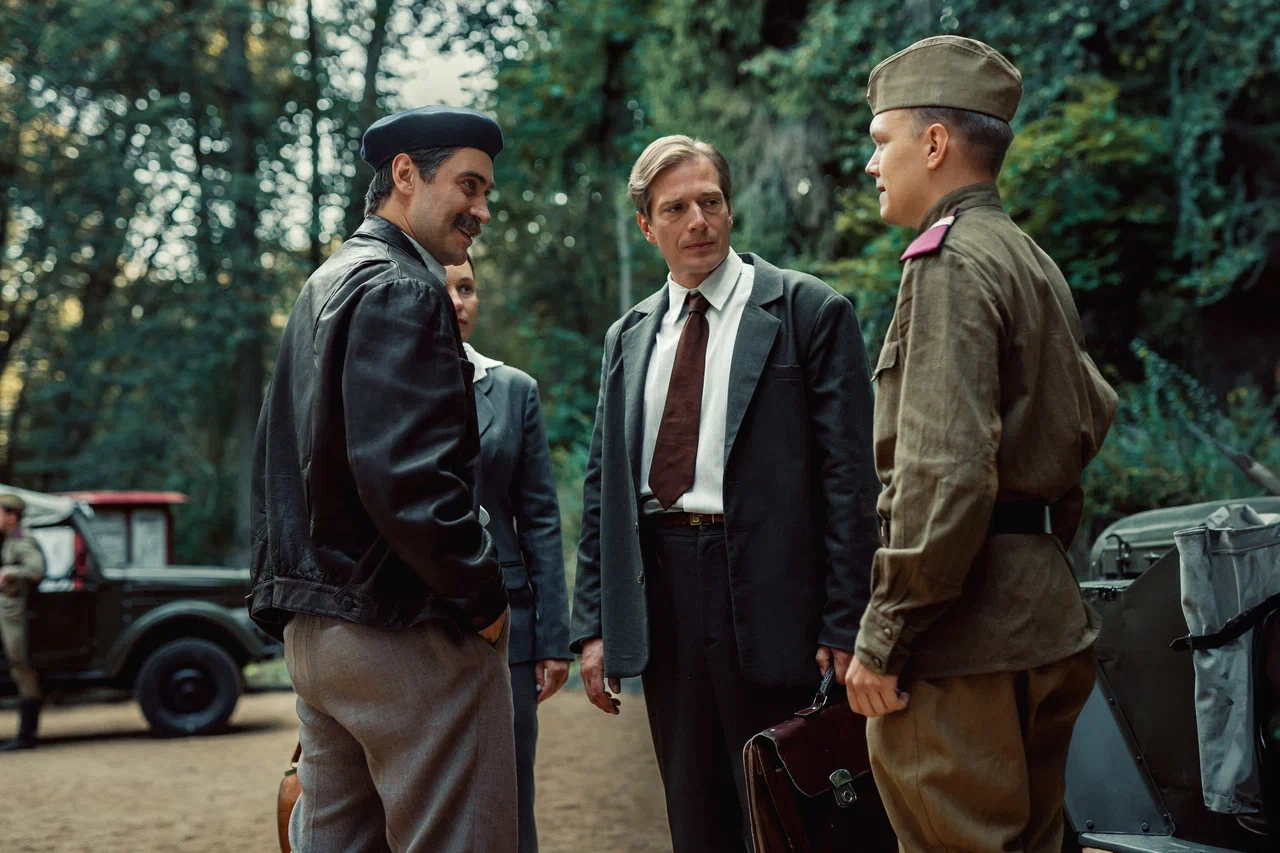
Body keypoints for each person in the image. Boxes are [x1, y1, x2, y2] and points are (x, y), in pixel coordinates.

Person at [845, 36, 1119, 853]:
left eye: (881, 140)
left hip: (962, 639)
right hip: (1041, 619)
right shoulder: (1029, 259)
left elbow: (945, 473)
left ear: (934, 143)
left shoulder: (949, 262)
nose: (872, 164)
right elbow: (1084, 424)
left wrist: (884, 633)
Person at [571, 134, 881, 852]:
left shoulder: (808, 311)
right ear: (647, 226)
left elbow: (850, 481)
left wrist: (845, 621)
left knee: (790, 814)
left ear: (730, 209)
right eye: (675, 209)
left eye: (709, 202)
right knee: (695, 814)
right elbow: (603, 487)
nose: (698, 221)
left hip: (779, 599)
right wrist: (594, 625)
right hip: (663, 593)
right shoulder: (628, 337)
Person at [249, 105, 516, 853]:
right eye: (468, 185)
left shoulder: (322, 285)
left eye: (486, 191)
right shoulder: (405, 287)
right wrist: (484, 599)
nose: (482, 209)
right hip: (403, 629)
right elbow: (409, 479)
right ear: (405, 174)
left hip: (317, 634)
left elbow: (278, 466)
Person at [443, 255, 572, 853]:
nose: (457, 301)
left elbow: (540, 517)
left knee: (511, 789)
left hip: (508, 621)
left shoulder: (514, 390)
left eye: (467, 288)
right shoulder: (386, 388)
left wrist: (552, 638)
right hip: (418, 624)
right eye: (444, 288)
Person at [0, 492, 47, 753]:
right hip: (8, 611)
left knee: (21, 666)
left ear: (11, 516)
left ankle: (26, 734)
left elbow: (36, 569)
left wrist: (9, 573)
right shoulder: (9, 539)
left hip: (15, 613)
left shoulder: (21, 539)